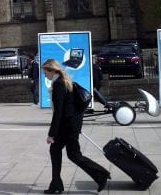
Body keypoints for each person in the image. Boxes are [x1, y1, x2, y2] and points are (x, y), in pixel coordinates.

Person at [42, 59, 110, 194]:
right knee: (55, 150)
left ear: (52, 70)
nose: (45, 76)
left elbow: (58, 112)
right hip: (69, 123)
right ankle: (56, 184)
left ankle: (101, 174)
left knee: (74, 155)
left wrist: (51, 134)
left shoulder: (59, 85)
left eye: (45, 73)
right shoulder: (63, 81)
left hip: (69, 125)